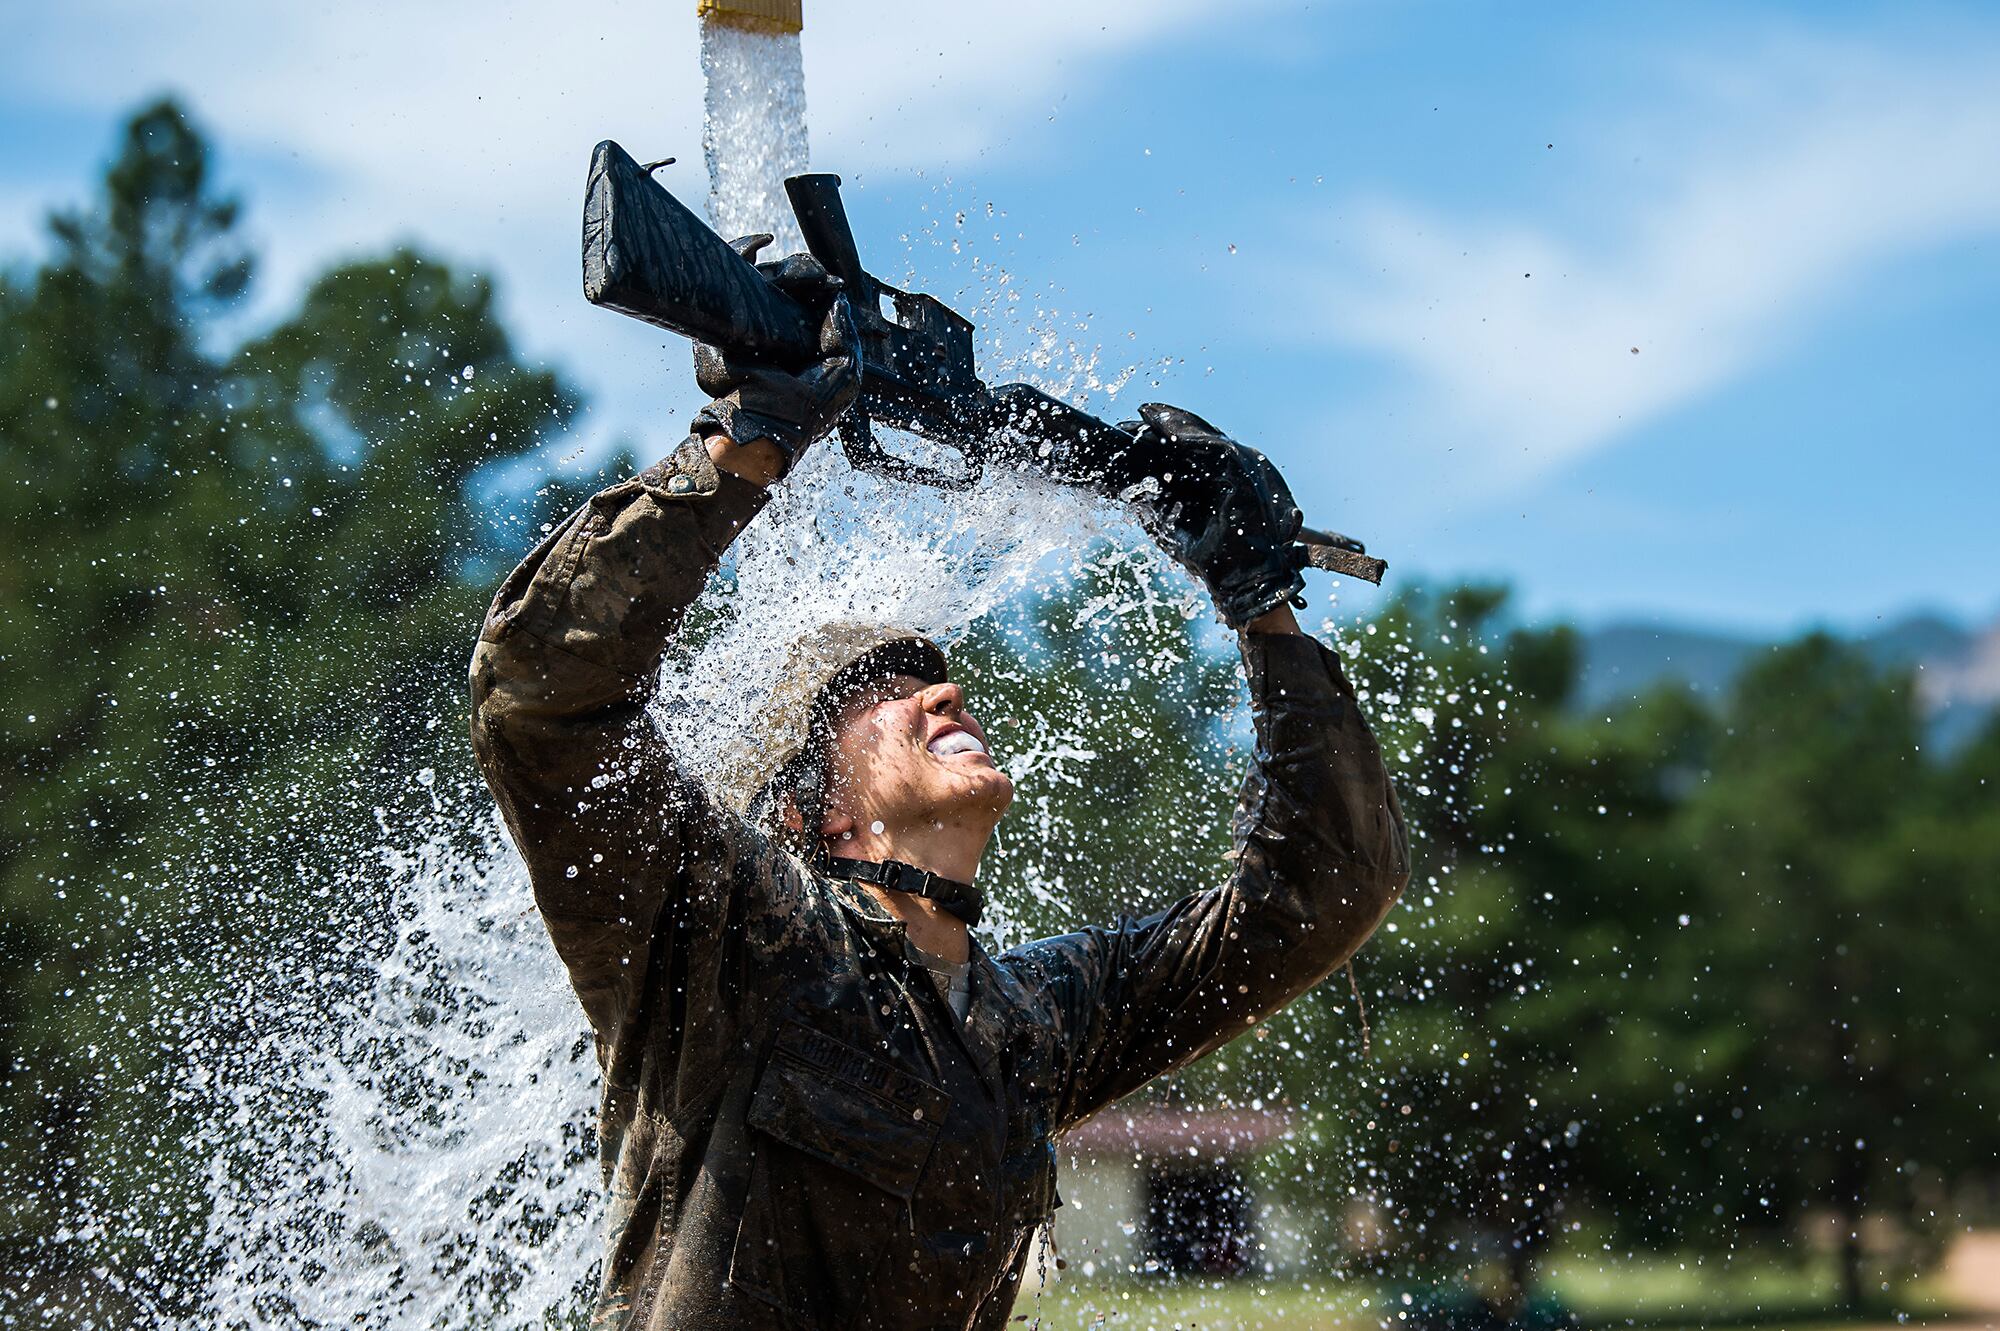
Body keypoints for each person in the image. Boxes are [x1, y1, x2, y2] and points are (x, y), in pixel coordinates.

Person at [468, 245, 1409, 1330]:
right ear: (808, 810)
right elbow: (542, 690)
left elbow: (1323, 886)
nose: (945, 688)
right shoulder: (724, 937)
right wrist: (745, 441)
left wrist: (1260, 605)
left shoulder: (1032, 1022)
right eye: (882, 687)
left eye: (937, 674)